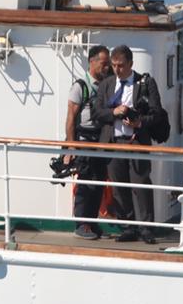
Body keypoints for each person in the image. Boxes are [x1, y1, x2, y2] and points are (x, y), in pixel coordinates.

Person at [104, 45, 169, 244]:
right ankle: (127, 227)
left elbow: (157, 113)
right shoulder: (107, 84)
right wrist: (113, 113)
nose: (117, 70)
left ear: (131, 64)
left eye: (121, 66)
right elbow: (98, 112)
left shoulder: (145, 83)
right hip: (115, 142)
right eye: (113, 65)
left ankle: (146, 228)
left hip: (137, 141)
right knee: (119, 186)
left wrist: (139, 122)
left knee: (141, 185)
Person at [64, 45, 114, 239]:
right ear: (92, 62)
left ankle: (92, 223)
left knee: (99, 182)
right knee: (85, 183)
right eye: (104, 64)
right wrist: (71, 146)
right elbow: (70, 119)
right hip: (84, 140)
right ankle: (82, 224)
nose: (107, 67)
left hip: (100, 140)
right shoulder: (80, 86)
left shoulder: (105, 86)